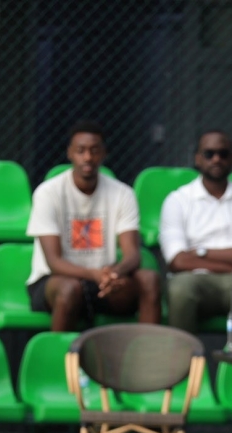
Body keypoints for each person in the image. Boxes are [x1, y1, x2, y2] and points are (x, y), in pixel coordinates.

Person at [26, 121, 161, 331]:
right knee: (69, 289)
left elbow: (133, 255)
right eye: (80, 151)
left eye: (94, 150)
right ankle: (59, 361)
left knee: (149, 279)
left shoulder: (123, 193)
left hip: (104, 283)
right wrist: (96, 275)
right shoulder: (48, 193)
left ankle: (148, 358)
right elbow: (54, 262)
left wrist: (114, 273)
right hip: (54, 282)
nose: (87, 157)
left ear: (104, 154)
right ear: (69, 153)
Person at [159, 130, 232, 333]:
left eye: (223, 154)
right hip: (194, 279)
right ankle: (183, 363)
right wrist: (231, 264)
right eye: (209, 154)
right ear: (198, 159)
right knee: (180, 289)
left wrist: (201, 252)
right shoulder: (178, 200)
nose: (216, 159)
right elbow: (177, 261)